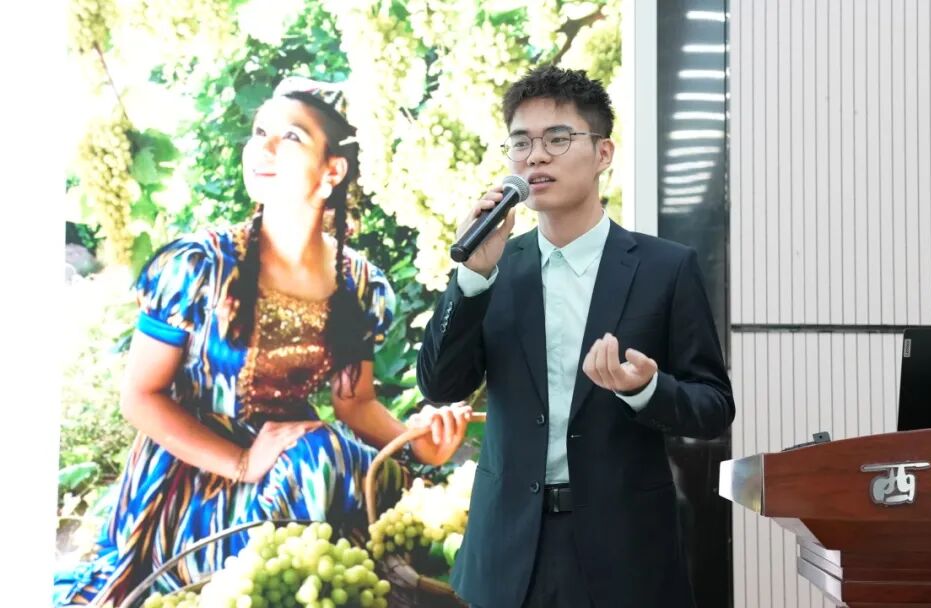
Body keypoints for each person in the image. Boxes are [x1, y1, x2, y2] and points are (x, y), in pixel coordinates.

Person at [53, 77, 472, 607]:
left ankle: (310, 577)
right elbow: (139, 397)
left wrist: (417, 444)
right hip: (193, 479)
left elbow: (355, 403)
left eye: (291, 136)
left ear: (332, 171)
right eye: (258, 133)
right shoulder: (199, 266)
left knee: (358, 473)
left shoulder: (360, 285)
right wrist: (241, 462)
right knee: (318, 459)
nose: (264, 148)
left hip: (293, 461)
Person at [416, 65, 736, 608]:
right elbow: (440, 385)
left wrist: (645, 390)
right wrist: (472, 278)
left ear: (603, 153)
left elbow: (714, 408)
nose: (535, 157)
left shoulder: (665, 268)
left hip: (625, 552)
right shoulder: (495, 267)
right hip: (507, 551)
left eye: (557, 139)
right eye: (521, 142)